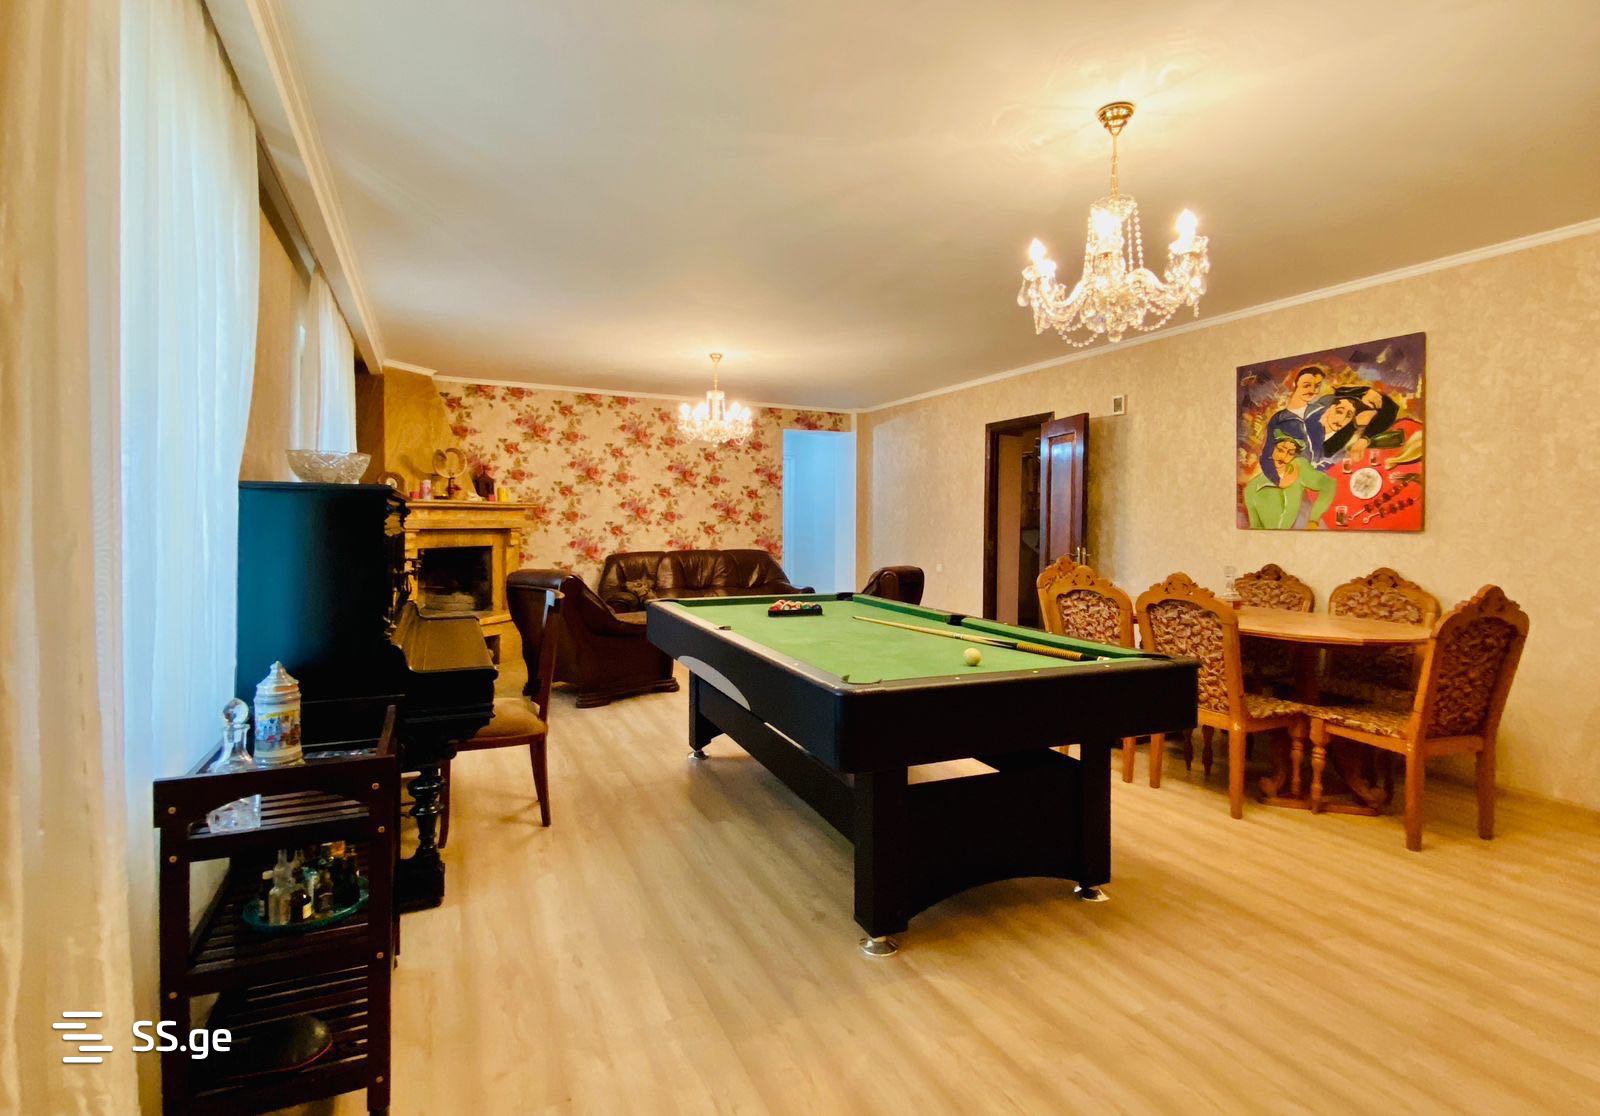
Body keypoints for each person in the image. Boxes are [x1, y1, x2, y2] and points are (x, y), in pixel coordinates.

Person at [1243, 432, 1336, 529]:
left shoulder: (1299, 468)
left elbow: (1329, 485)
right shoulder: (1251, 490)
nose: (1284, 457)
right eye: (1280, 450)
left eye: (1290, 453)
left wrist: (1314, 519)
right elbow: (1256, 530)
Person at [1258, 365, 1326, 483]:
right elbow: (1267, 456)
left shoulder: (1320, 412)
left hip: (1320, 476)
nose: (1312, 390)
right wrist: (1277, 481)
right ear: (1295, 385)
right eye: (1307, 385)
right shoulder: (1279, 419)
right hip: (1295, 480)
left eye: (1317, 386)